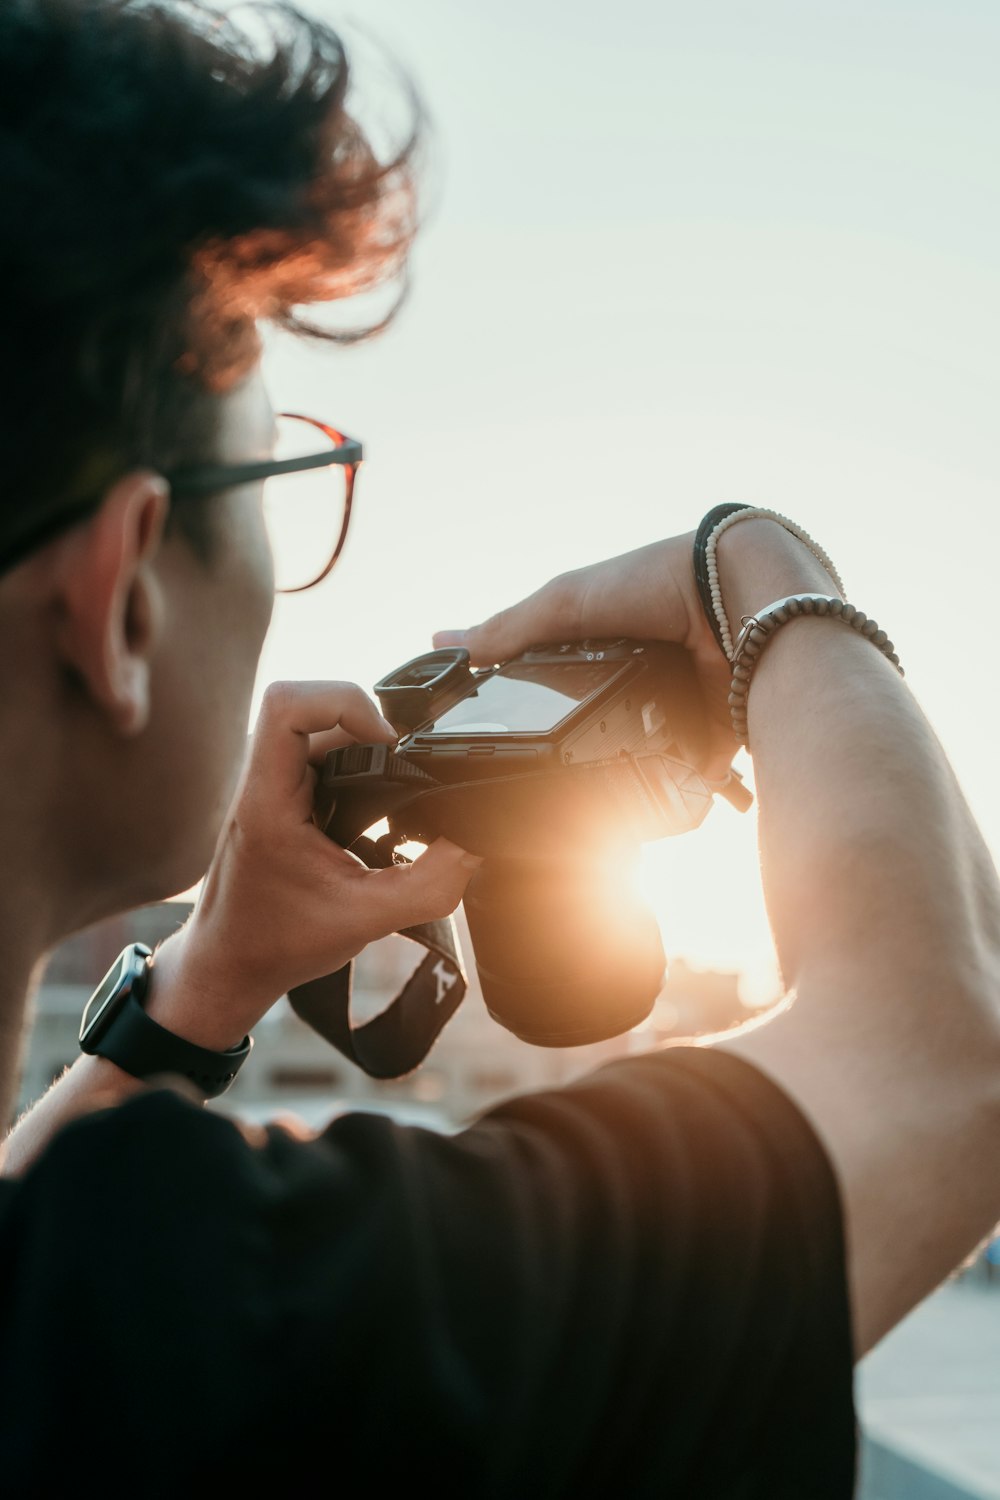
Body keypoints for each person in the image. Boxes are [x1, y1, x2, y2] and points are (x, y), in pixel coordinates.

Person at [0, 2, 997, 1495]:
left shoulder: (69, 1314)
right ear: (120, 598)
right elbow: (942, 1055)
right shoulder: (219, 1296)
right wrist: (771, 574)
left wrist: (212, 980)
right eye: (277, 476)